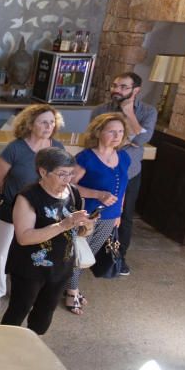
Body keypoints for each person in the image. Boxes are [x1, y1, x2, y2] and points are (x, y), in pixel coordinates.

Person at [0, 148, 93, 334]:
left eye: (71, 174)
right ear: (43, 172)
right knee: (18, 311)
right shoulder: (28, 197)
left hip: (61, 267)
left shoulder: (72, 193)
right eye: (62, 174)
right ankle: (4, 347)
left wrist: (85, 226)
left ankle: (34, 346)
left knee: (44, 314)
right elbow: (24, 237)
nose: (68, 180)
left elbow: (78, 232)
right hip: (30, 268)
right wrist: (63, 225)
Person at [0, 104, 65, 309]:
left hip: (42, 209)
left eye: (52, 122)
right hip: (12, 207)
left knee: (36, 251)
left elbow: (61, 177)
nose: (48, 126)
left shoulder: (56, 148)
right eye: (43, 122)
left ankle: (27, 289)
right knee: (2, 249)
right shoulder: (16, 148)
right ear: (30, 124)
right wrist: (17, 198)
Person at [90, 71, 156, 276]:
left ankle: (118, 257)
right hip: (101, 170)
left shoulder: (147, 111)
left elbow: (142, 140)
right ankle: (86, 254)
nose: (116, 90)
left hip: (129, 172)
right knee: (94, 211)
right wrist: (129, 139)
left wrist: (129, 115)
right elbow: (94, 136)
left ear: (136, 90)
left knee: (124, 215)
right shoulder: (102, 109)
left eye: (123, 87)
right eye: (115, 85)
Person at [67, 113, 131, 315]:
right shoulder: (86, 157)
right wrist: (98, 194)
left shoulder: (124, 157)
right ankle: (71, 291)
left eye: (120, 131)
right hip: (87, 215)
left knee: (88, 254)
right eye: (112, 131)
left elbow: (123, 189)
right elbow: (69, 185)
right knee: (76, 254)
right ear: (99, 132)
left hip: (110, 216)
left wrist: (119, 212)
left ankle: (69, 286)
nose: (117, 135)